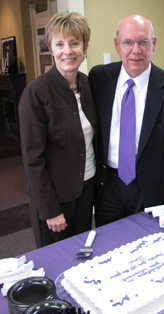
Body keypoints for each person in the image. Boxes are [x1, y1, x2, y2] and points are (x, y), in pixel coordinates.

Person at [89, 14, 164, 227]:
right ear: (117, 44)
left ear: (154, 43)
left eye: (143, 42)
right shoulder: (98, 78)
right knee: (109, 246)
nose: (136, 50)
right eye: (128, 42)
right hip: (108, 186)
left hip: (153, 188)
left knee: (151, 249)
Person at [19, 12, 97, 248]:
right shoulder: (36, 93)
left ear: (84, 48)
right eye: (60, 44)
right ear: (50, 48)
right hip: (56, 197)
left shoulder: (87, 83)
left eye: (75, 43)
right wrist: (50, 209)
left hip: (87, 189)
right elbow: (33, 159)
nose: (68, 51)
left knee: (83, 256)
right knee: (56, 261)